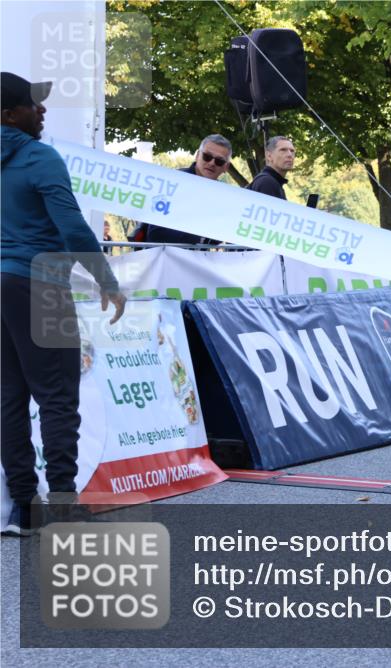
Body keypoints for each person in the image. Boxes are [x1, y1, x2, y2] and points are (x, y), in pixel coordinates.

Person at [1, 72, 127, 535]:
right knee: (57, 398)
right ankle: (62, 504)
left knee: (8, 399)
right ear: (9, 115)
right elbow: (73, 227)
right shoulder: (40, 157)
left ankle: (22, 507)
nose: (43, 110)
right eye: (33, 105)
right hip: (41, 283)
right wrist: (107, 281)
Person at [141, 134, 233, 245]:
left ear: (226, 167)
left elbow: (215, 239)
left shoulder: (223, 196)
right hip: (164, 258)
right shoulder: (173, 182)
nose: (212, 163)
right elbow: (156, 233)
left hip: (198, 259)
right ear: (197, 155)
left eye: (219, 161)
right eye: (207, 157)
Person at [247, 135, 295, 200]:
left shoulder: (274, 182)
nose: (289, 155)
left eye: (292, 151)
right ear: (269, 156)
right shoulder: (266, 182)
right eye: (283, 150)